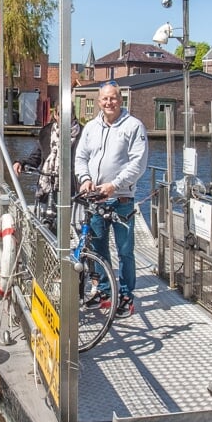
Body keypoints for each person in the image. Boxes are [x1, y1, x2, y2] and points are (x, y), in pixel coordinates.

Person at [74, 82, 149, 319]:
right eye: (105, 99)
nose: (109, 103)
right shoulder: (91, 128)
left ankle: (126, 295)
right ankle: (106, 291)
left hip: (121, 198)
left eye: (113, 98)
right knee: (99, 247)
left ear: (121, 99)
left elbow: (138, 163)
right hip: (95, 197)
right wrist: (85, 178)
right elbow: (81, 157)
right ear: (98, 101)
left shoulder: (134, 126)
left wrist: (114, 185)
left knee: (125, 251)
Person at [12, 104, 83, 212]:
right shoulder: (46, 133)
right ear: (55, 115)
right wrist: (21, 163)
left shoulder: (83, 134)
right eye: (60, 114)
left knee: (71, 224)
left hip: (73, 190)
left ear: (73, 116)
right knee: (46, 221)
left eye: (68, 114)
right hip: (48, 187)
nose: (64, 118)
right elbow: (36, 157)